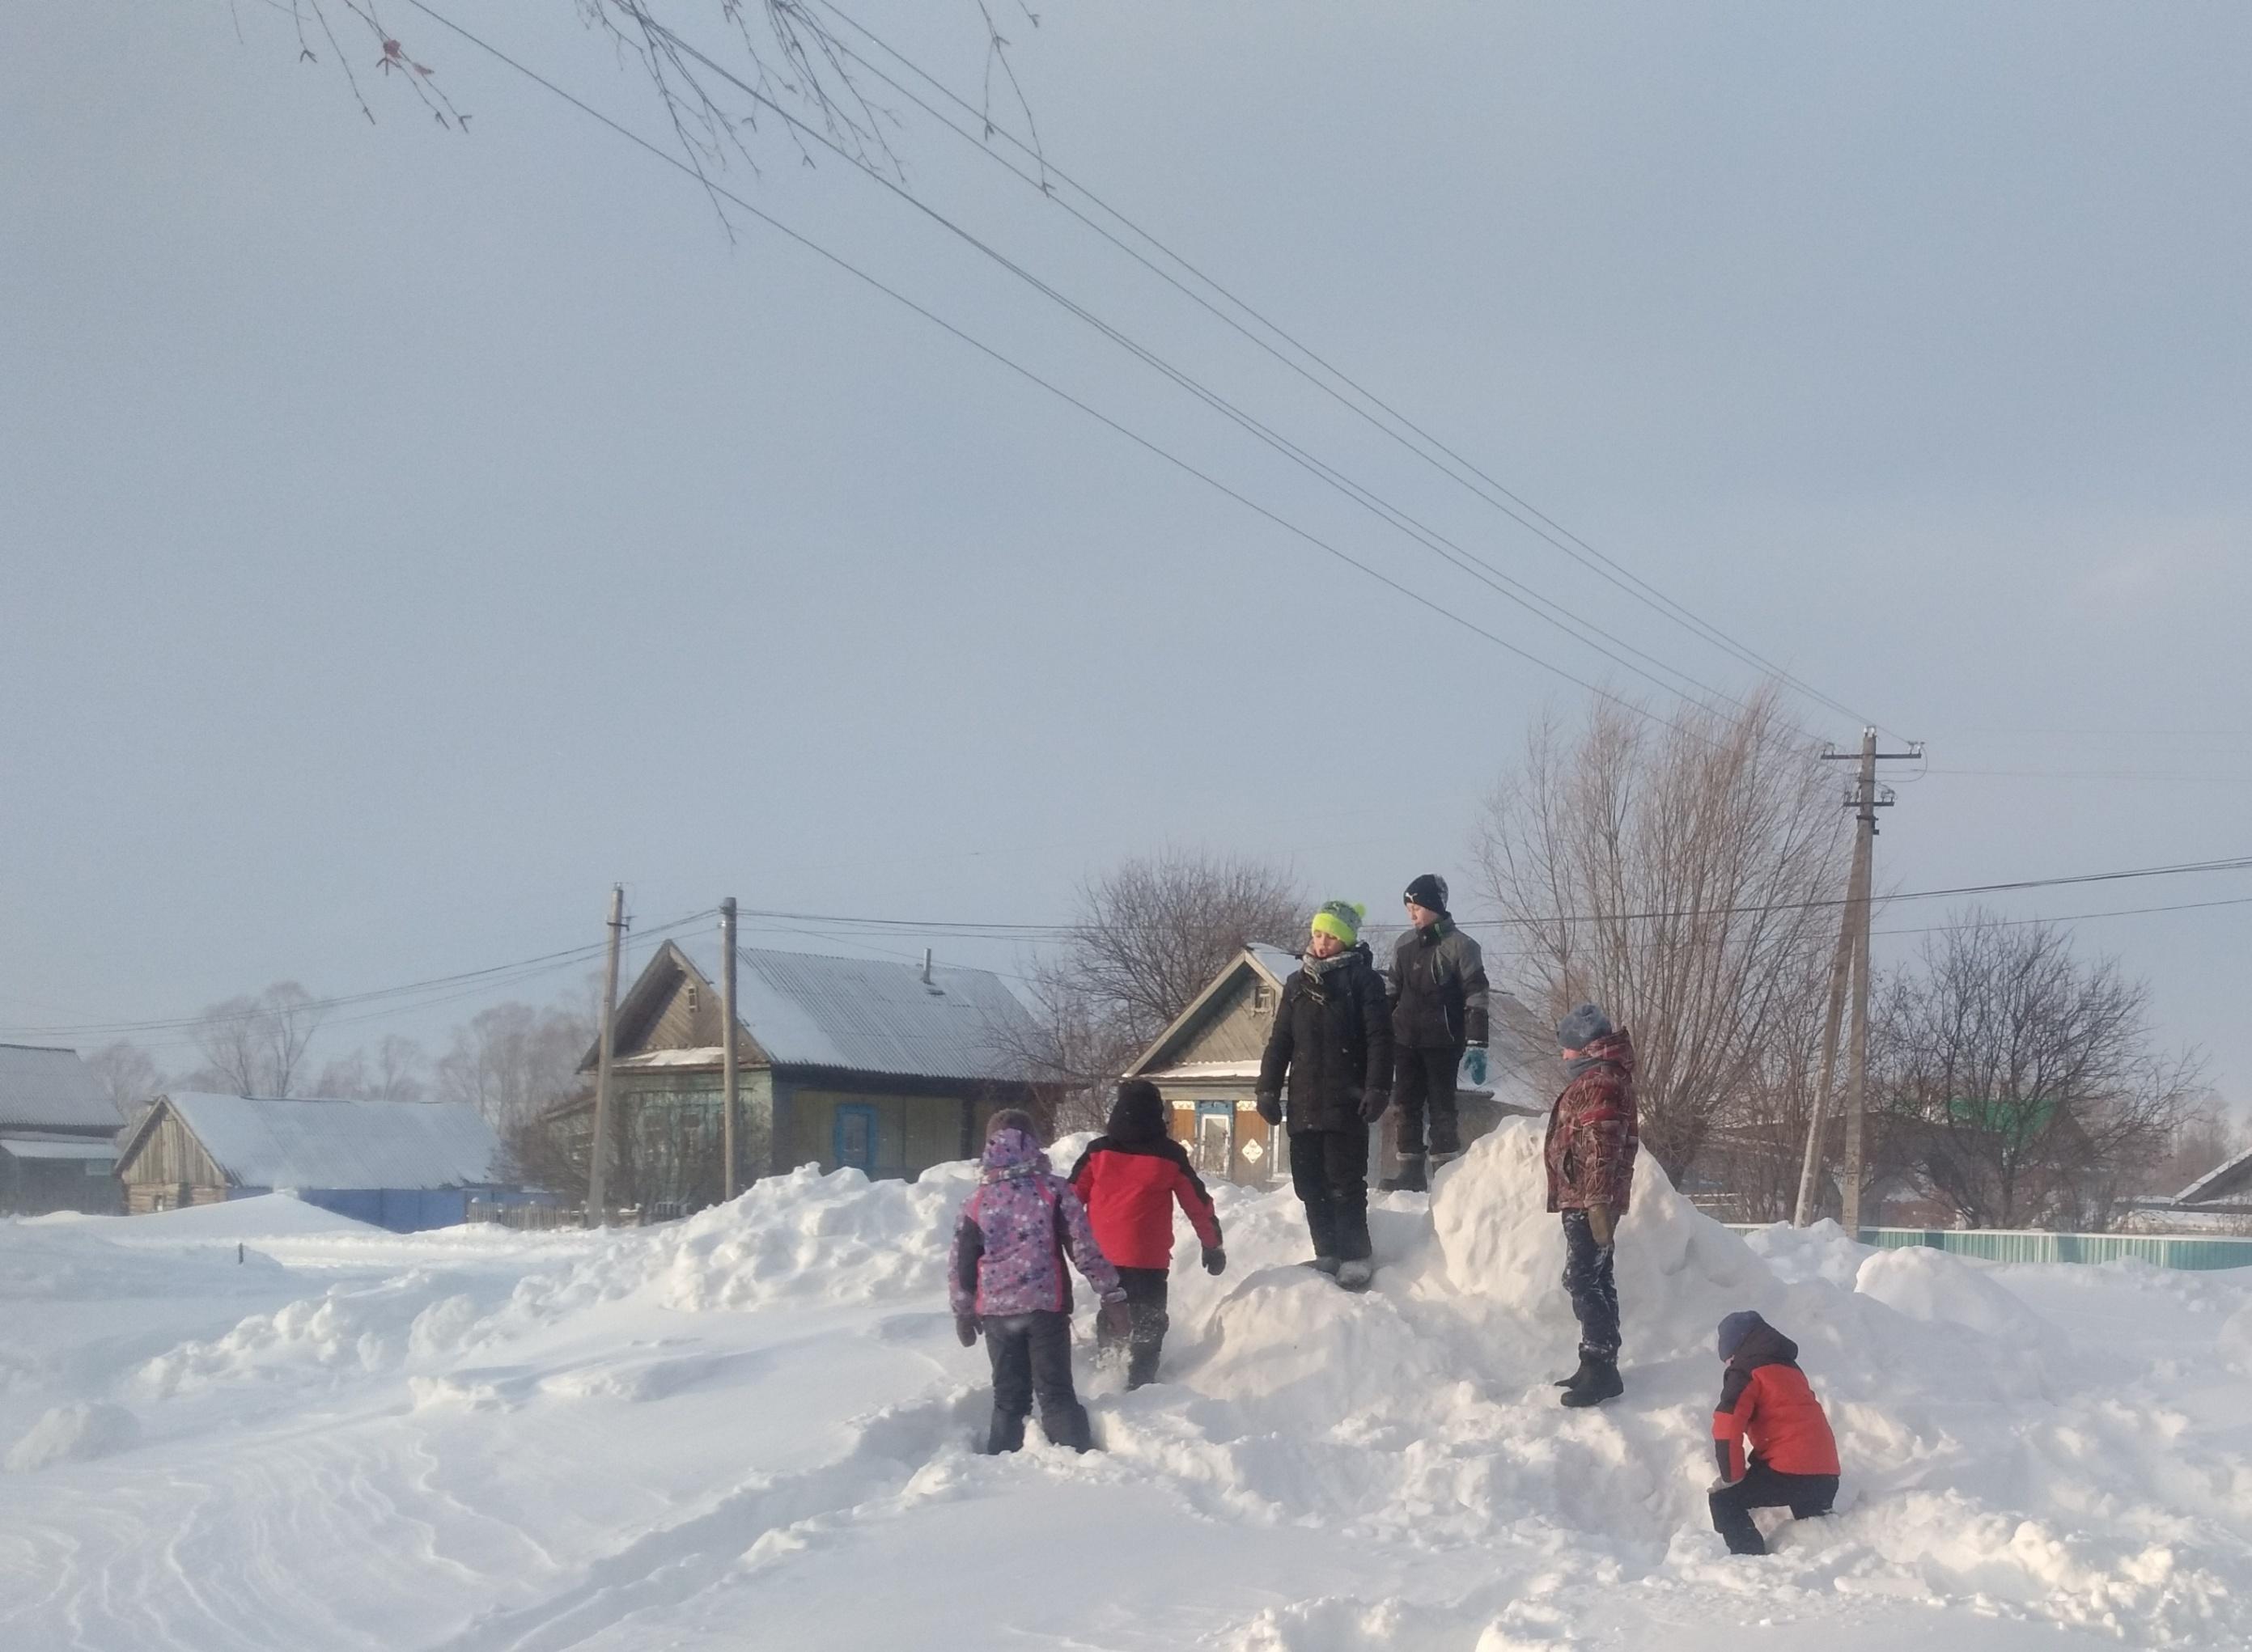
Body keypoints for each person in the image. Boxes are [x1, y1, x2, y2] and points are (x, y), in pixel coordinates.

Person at [948, 1108, 1132, 1453]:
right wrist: (1112, 1293)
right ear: (1033, 1142)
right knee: (1056, 1393)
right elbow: (1084, 1248)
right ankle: (1076, 1458)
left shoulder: (976, 1202)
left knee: (1007, 1397)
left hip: (997, 1313)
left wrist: (963, 1309)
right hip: (1046, 1308)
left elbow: (961, 1263)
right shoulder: (1054, 1191)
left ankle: (1000, 1460)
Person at [1255, 900, 1395, 1290]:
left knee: (1344, 1180)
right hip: (1303, 1102)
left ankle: (1355, 1254)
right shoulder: (1297, 984)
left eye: (1331, 936)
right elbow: (1280, 1040)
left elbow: (1380, 1039)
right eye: (1318, 934)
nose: (1321, 942)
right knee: (1309, 1181)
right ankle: (1327, 1251)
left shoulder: (1363, 982)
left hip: (1345, 1100)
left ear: (1346, 939)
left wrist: (1378, 1086)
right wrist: (1267, 1088)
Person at [1067, 1079, 1226, 1389]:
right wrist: (1212, 1245)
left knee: (1114, 1306)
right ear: (1157, 1113)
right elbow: (1197, 1204)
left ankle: (1109, 1360)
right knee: (1150, 1317)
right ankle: (1141, 1380)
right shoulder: (1169, 1155)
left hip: (1103, 1255)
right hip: (1148, 1257)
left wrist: (1060, 1241)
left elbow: (1070, 1199)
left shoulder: (1098, 1152)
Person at [1543, 1002, 1638, 1407]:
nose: (1563, 1055)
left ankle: (1602, 1367)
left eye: (1567, 1048)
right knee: (1597, 1277)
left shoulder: (1598, 1083)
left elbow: (1601, 1144)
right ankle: (1596, 1361)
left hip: (1589, 1198)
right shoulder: (1599, 1078)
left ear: (1584, 1048)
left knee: (1582, 1279)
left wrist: (1597, 1200)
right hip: (1585, 1195)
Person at [1380, 873, 1491, 1193]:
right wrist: (1379, 1033)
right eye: (1408, 908)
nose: (1411, 914)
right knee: (1406, 1104)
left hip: (1443, 1041)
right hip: (1406, 1040)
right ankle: (1410, 1171)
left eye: (1416, 907)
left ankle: (1445, 1172)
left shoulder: (1462, 947)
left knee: (1442, 1106)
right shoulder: (1404, 945)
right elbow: (1391, 992)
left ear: (1434, 906)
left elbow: (1477, 995)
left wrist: (1477, 1042)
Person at [1707, 1311, 1842, 1555]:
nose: (1728, 1366)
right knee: (1816, 1530)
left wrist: (1731, 1477)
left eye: (1728, 1360)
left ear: (1735, 1351)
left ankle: (1749, 1562)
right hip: (1827, 1476)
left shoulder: (1747, 1370)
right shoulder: (1790, 1369)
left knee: (1724, 1501)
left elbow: (1727, 1424)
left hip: (1790, 1473)